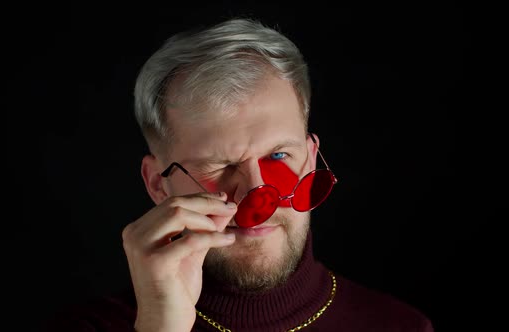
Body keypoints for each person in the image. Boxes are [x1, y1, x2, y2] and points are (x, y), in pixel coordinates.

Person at [44, 17, 434, 332]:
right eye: (223, 165)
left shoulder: (401, 326)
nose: (256, 195)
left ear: (312, 160)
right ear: (157, 184)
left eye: (279, 155)